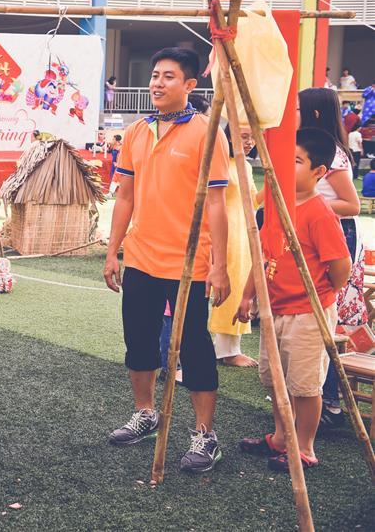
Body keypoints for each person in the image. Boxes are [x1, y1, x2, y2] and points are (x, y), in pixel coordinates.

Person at [103, 47, 230, 473]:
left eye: (169, 76)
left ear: (190, 85)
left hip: (189, 262)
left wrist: (220, 265)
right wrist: (112, 251)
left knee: (194, 347)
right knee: (138, 341)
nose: (157, 82)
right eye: (155, 75)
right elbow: (125, 197)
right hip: (140, 256)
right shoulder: (138, 130)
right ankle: (145, 413)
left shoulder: (208, 132)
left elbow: (217, 205)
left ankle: (204, 434)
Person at [236, 128, 351, 471]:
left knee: (304, 385)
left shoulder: (319, 212)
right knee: (276, 380)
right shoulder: (274, 199)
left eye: (297, 161)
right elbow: (263, 253)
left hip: (308, 312)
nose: (287, 165)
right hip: (276, 310)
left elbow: (340, 264)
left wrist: (323, 292)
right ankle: (280, 436)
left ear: (319, 172)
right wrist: (247, 295)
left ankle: (305, 447)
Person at [298, 87, 361, 427]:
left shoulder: (330, 154)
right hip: (318, 238)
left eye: (297, 108)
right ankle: (314, 399)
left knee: (324, 318)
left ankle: (329, 402)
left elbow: (351, 205)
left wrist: (308, 206)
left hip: (331, 240)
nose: (291, 113)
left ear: (314, 114)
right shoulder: (315, 148)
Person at [208, 125, 258, 367]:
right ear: (228, 137)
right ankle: (224, 351)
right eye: (243, 137)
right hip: (222, 232)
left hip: (242, 235)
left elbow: (254, 201)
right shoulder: (218, 163)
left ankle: (230, 348)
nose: (249, 142)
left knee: (238, 286)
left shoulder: (246, 166)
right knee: (224, 286)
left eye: (252, 137)